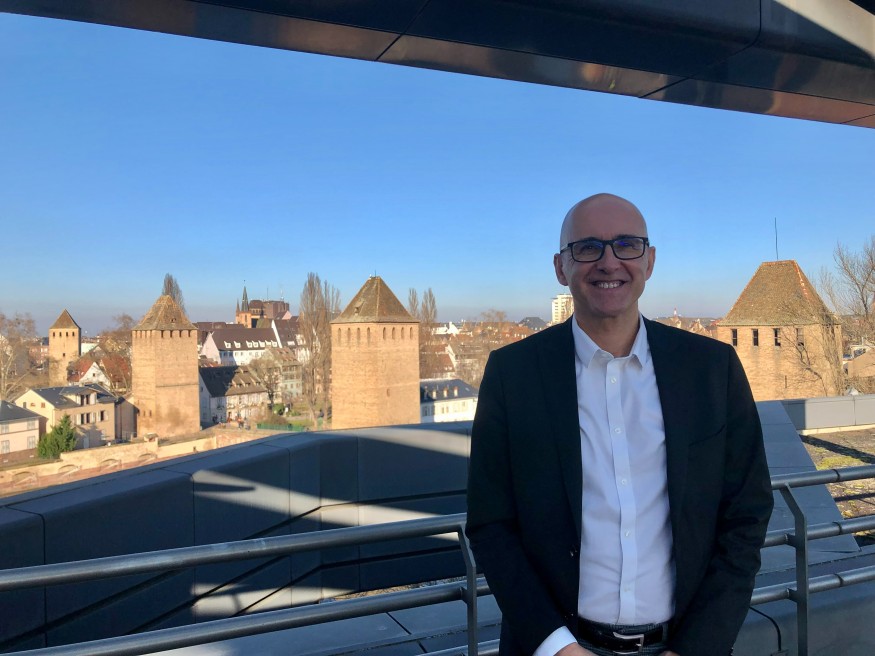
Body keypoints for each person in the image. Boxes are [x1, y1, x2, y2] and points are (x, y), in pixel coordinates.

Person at [466, 193, 773, 656]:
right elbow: (491, 523)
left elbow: (746, 514)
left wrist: (697, 647)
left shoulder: (711, 368)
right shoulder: (513, 374)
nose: (609, 262)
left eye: (627, 245)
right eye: (588, 247)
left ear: (649, 261)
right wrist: (556, 647)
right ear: (561, 267)